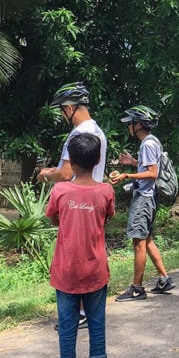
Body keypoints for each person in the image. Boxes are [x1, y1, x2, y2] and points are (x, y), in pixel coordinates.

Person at [45, 133, 115, 358]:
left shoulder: (60, 190)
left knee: (67, 323)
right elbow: (105, 219)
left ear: (70, 162)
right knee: (97, 321)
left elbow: (53, 218)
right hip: (95, 269)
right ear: (98, 159)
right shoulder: (106, 191)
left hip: (66, 270)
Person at [38, 82, 108, 329]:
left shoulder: (78, 134)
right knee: (91, 252)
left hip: (76, 200)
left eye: (62, 110)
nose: (62, 114)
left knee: (72, 256)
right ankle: (87, 310)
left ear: (69, 108)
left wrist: (46, 174)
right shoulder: (98, 132)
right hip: (96, 199)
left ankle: (75, 314)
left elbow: (67, 174)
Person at [110, 105, 174, 301]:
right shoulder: (152, 141)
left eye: (130, 123)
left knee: (138, 242)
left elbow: (152, 173)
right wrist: (132, 162)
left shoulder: (147, 144)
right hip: (149, 197)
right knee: (146, 239)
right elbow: (148, 166)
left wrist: (126, 174)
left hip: (144, 198)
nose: (129, 126)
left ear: (138, 125)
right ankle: (164, 279)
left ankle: (137, 288)